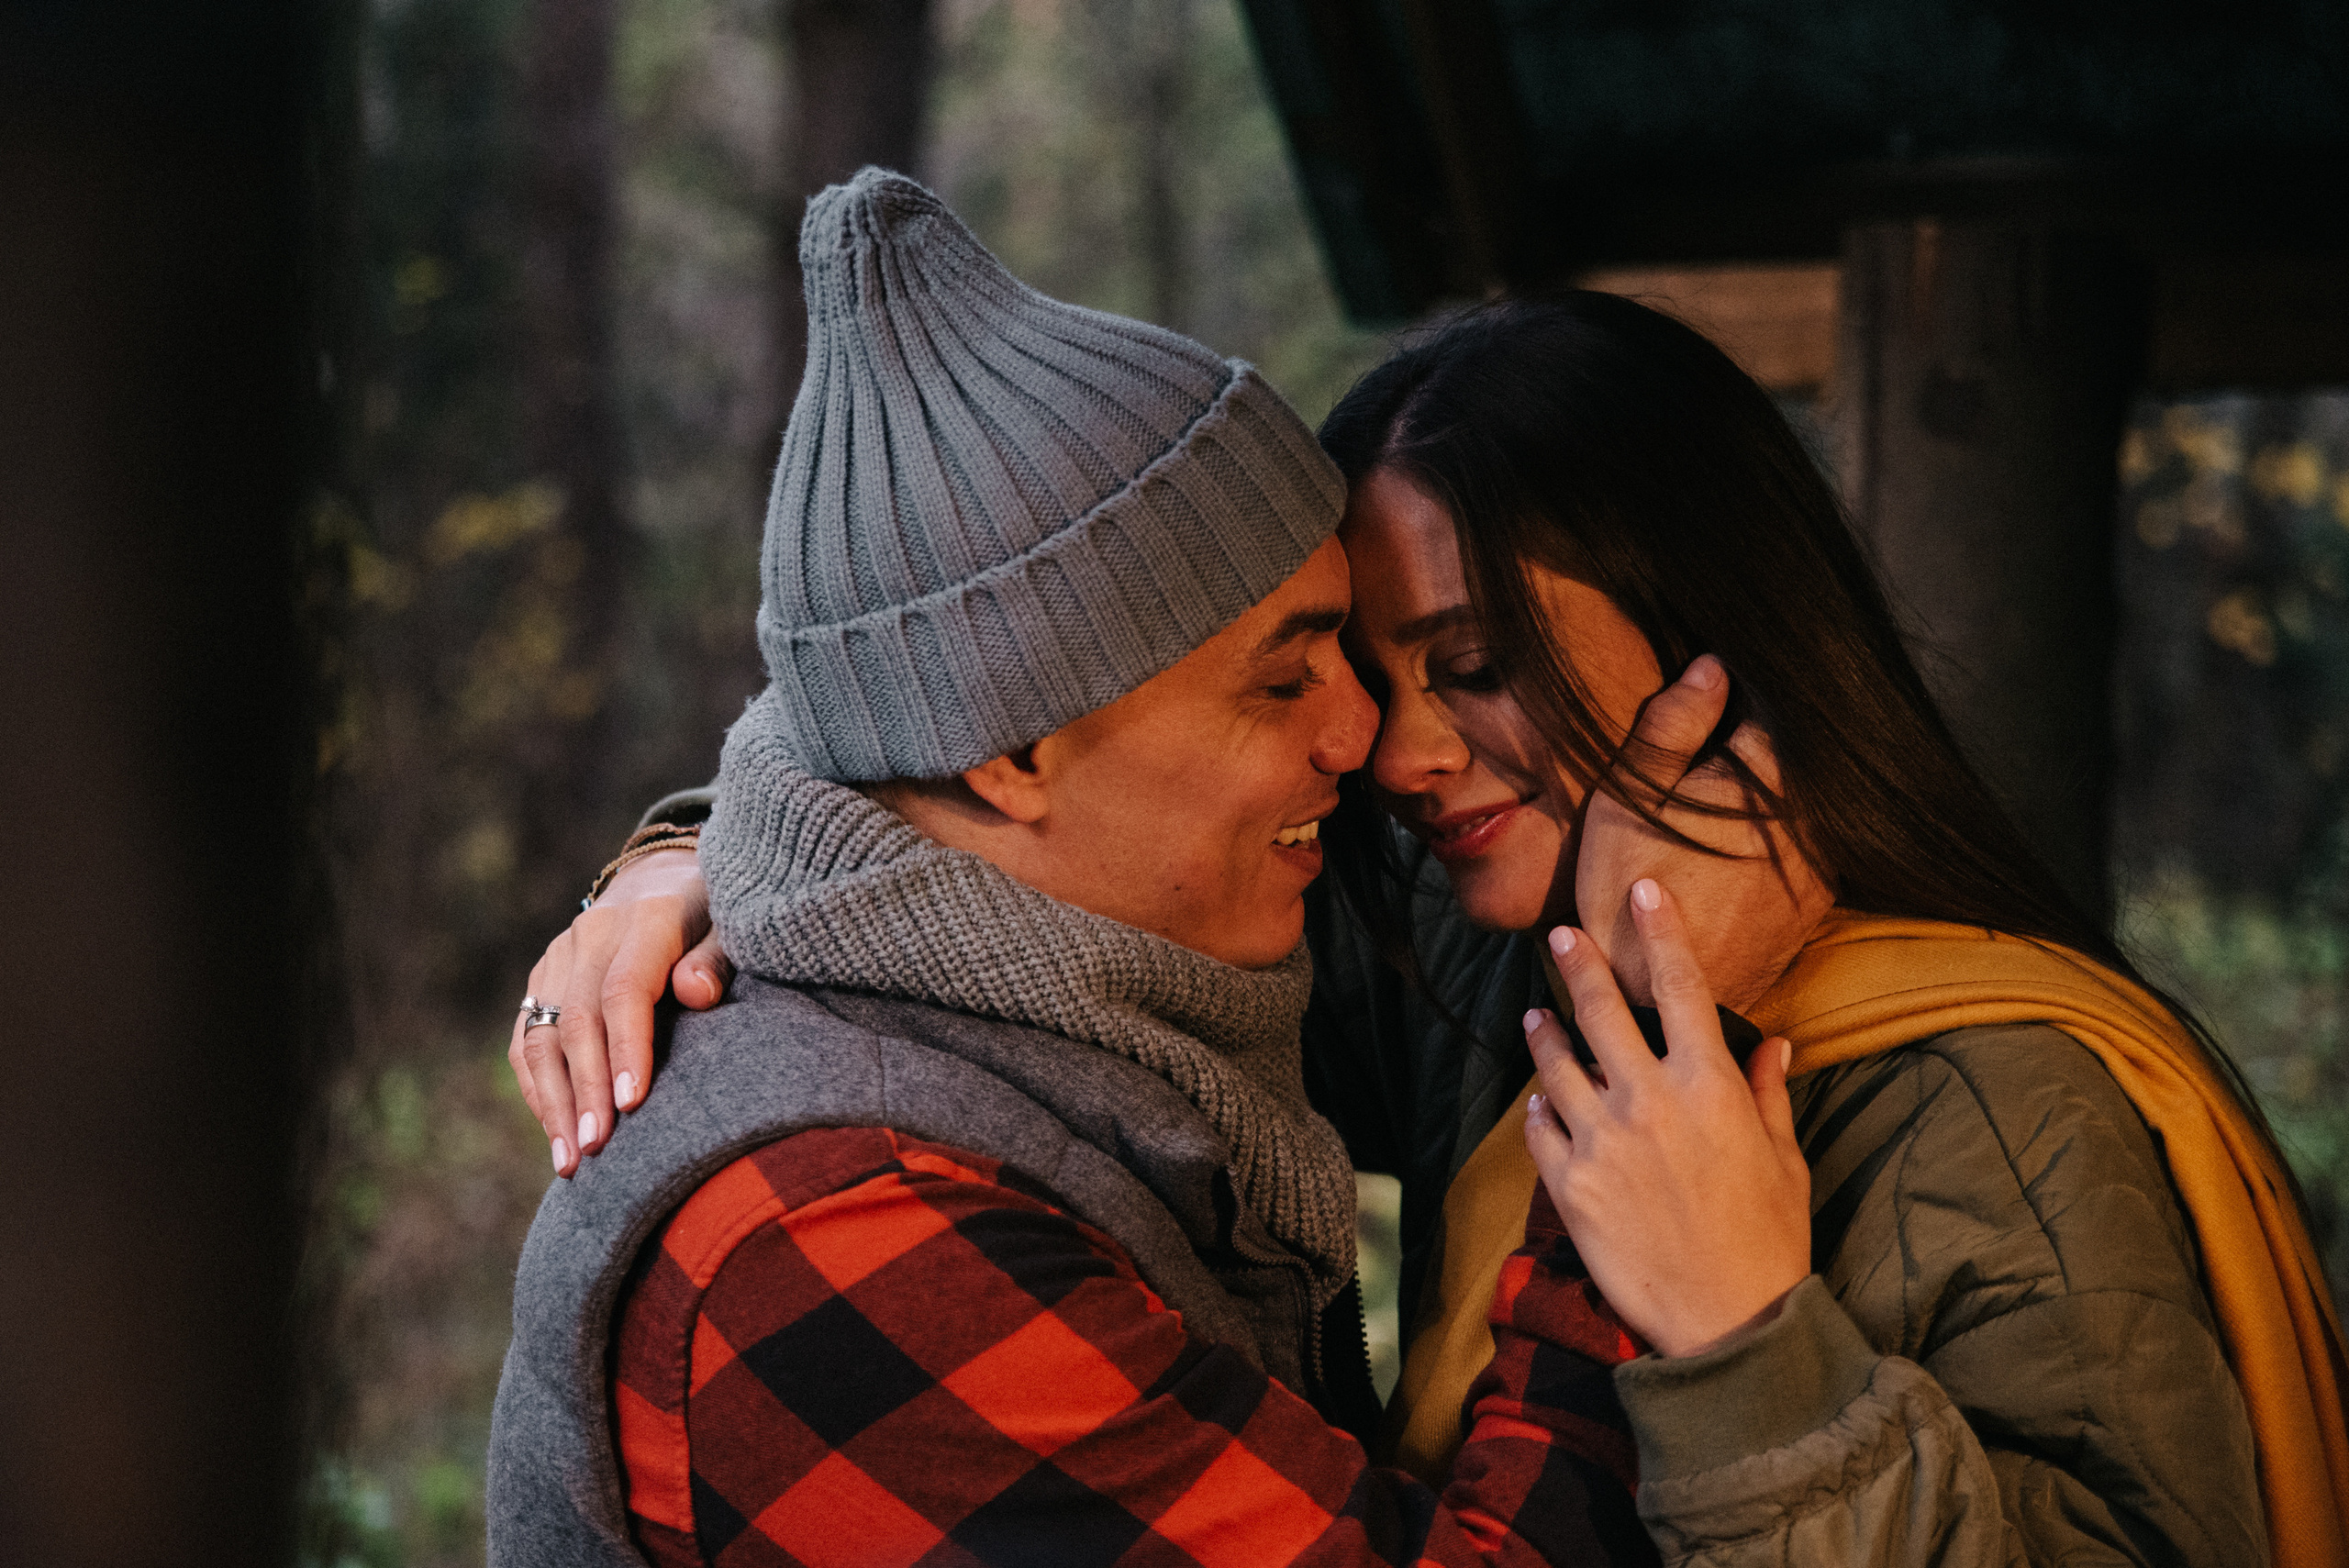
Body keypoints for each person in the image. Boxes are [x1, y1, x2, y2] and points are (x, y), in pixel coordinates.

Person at [519, 281, 2349, 1562]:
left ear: (1715, 635)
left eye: (1464, 667)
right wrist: (709, 867)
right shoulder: (1484, 964)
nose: (1379, 752)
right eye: (1323, 672)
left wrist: (1747, 1344)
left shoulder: (1998, 1104)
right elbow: (1027, 924)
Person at [486, 169, 1795, 1568]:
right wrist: (1668, 1026)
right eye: (1284, 681)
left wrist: (685, 850)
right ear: (1009, 754)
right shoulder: (842, 1234)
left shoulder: (1089, 974)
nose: (1365, 739)